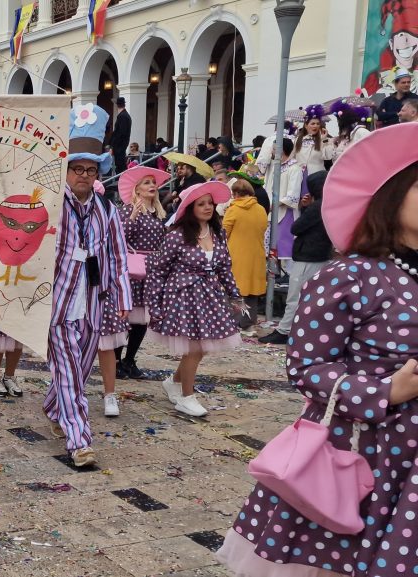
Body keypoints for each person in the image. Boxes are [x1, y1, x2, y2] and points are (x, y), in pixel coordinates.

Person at [216, 122, 418, 577]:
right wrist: (384, 392)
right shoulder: (350, 276)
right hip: (367, 455)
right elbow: (307, 367)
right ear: (391, 195)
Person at [45, 103, 131, 467]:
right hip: (58, 301)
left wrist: (123, 295)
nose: (83, 175)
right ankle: (79, 439)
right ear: (65, 171)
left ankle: (54, 406)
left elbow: (118, 254)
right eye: (77, 168)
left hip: (94, 298)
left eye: (89, 169)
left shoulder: (106, 210)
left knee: (79, 369)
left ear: (98, 172)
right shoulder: (48, 204)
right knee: (67, 369)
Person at [146, 182, 246, 417]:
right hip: (183, 296)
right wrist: (155, 303)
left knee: (200, 349)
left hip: (209, 298)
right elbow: (158, 270)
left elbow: (225, 268)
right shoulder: (177, 236)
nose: (208, 207)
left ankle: (174, 382)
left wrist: (235, 295)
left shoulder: (218, 234)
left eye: (210, 203)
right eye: (201, 204)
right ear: (190, 208)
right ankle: (186, 396)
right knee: (194, 348)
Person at [258, 171, 333, 346]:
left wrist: (307, 208)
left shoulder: (318, 207)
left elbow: (296, 228)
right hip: (320, 254)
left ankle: (284, 330)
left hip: (308, 256)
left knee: (295, 296)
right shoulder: (328, 204)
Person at [112, 165, 169, 388]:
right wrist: (133, 216)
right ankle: (115, 360)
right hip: (131, 270)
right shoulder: (126, 210)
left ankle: (130, 360)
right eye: (146, 182)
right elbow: (119, 238)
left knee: (142, 320)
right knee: (124, 317)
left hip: (151, 270)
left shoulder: (158, 213)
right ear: (136, 189)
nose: (152, 185)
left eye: (153, 182)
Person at [222, 179, 268, 332]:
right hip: (257, 254)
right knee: (252, 290)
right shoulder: (261, 209)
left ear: (235, 193)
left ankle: (235, 323)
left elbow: (224, 233)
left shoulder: (233, 209)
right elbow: (263, 228)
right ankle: (248, 323)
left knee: (236, 289)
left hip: (236, 254)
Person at [269, 138, 305, 261]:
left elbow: (293, 193)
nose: (271, 152)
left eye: (274, 149)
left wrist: (276, 203)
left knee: (285, 240)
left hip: (286, 210)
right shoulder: (276, 167)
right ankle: (276, 270)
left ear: (281, 151)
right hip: (273, 209)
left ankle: (288, 272)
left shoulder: (294, 168)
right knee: (274, 242)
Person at [293, 104, 334, 175]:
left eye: (318, 124)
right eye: (313, 123)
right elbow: (292, 157)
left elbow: (328, 157)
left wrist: (323, 140)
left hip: (316, 176)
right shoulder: (298, 140)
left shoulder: (326, 140)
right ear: (306, 125)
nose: (315, 126)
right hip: (299, 176)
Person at [110, 97, 132, 173]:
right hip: (121, 144)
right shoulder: (124, 115)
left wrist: (113, 145)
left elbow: (120, 133)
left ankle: (121, 181)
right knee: (120, 165)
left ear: (117, 105)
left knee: (120, 165)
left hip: (120, 145)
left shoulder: (123, 116)